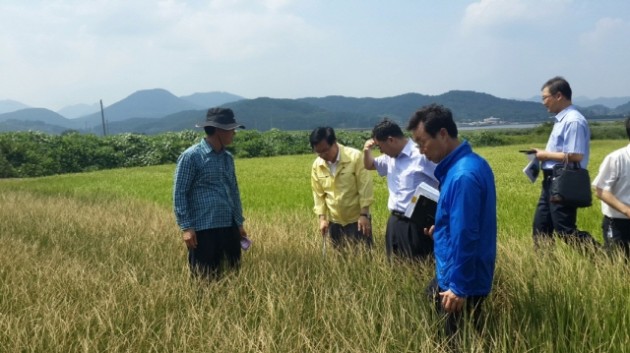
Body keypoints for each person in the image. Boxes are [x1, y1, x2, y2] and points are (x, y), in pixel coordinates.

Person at [408, 103, 497, 342]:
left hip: (461, 280)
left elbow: (467, 234)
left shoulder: (462, 176)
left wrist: (459, 287)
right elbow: (464, 222)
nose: (421, 150)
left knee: (454, 342)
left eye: (422, 142)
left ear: (443, 134)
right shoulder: (467, 165)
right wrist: (442, 229)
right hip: (455, 272)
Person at [173, 107, 249, 280]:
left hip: (228, 226)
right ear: (218, 130)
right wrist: (186, 227)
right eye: (231, 129)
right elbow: (179, 193)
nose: (234, 133)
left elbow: (233, 191)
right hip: (203, 229)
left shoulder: (227, 158)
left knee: (232, 275)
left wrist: (238, 223)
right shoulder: (191, 156)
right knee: (204, 279)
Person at [531, 76, 598, 248]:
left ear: (558, 95)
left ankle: (608, 258)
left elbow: (576, 155)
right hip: (551, 180)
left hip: (563, 180)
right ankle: (545, 269)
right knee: (541, 228)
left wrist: (545, 155)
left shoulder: (573, 121)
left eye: (545, 98)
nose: (544, 102)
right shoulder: (562, 119)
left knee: (565, 230)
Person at [363, 118, 438, 261]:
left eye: (380, 146)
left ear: (391, 140)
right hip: (395, 221)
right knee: (395, 265)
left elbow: (444, 182)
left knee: (418, 265)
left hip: (417, 223)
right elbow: (369, 165)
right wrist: (367, 150)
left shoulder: (422, 155)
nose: (381, 151)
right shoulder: (389, 158)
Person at [310, 127, 374, 249]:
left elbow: (365, 187)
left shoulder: (355, 157)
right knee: (340, 260)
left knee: (364, 258)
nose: (322, 155)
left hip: (358, 220)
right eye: (318, 152)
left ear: (334, 143)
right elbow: (318, 195)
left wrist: (364, 215)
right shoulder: (317, 165)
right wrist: (322, 219)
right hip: (334, 222)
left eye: (325, 151)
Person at [592, 116, 630, 258]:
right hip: (618, 223)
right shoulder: (616, 158)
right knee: (618, 266)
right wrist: (627, 210)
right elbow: (601, 190)